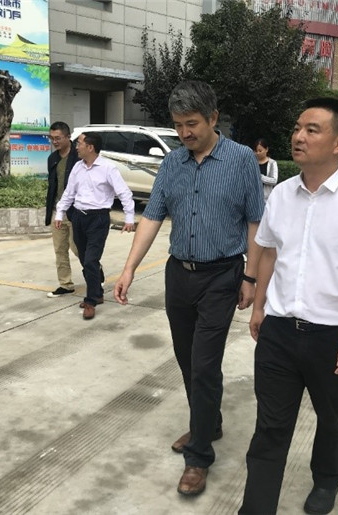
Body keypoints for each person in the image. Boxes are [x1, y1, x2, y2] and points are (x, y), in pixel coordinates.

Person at [239, 98, 338, 515]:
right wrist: (259, 307)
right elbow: (269, 252)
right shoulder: (281, 195)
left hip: (335, 336)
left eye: (312, 130)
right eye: (297, 128)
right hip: (278, 332)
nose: (298, 136)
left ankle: (327, 480)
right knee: (270, 426)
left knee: (334, 419)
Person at [114, 81, 264, 497]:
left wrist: (251, 277)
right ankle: (208, 424)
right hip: (178, 275)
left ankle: (199, 456)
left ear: (213, 118)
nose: (184, 133)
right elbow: (152, 217)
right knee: (186, 359)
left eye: (192, 124)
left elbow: (256, 221)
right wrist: (128, 268)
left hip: (222, 275)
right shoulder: (172, 163)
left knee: (204, 365)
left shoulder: (241, 160)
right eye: (178, 125)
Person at [55, 131, 135, 320]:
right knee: (85, 259)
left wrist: (129, 218)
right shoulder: (77, 167)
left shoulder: (108, 168)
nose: (76, 147)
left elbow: (124, 193)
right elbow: (69, 192)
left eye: (79, 143)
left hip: (98, 219)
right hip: (78, 217)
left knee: (91, 260)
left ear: (90, 147)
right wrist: (60, 213)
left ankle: (91, 301)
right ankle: (97, 291)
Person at [45, 121, 80, 298]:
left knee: (77, 247)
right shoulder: (52, 158)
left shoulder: (79, 157)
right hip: (57, 210)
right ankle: (65, 284)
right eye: (52, 138)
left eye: (58, 138)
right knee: (60, 249)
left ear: (68, 137)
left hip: (76, 210)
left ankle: (95, 269)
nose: (54, 142)